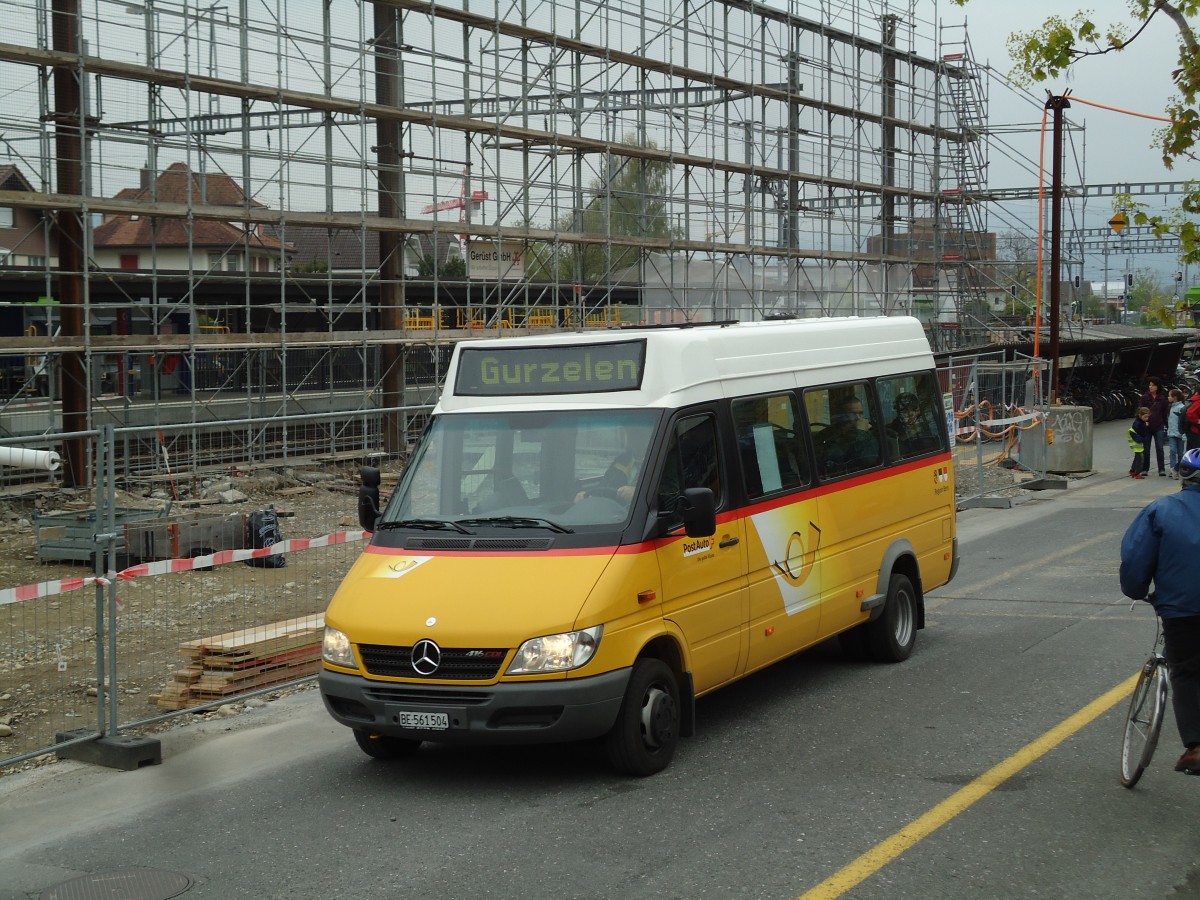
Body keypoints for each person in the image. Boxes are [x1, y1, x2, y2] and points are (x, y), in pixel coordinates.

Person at [1119, 447, 1200, 774]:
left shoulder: (1162, 510)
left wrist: (1138, 591)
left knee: (1186, 670)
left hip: (1183, 609)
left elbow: (1137, 562)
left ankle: (1196, 746)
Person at [822, 396, 880, 475]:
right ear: (843, 416)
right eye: (853, 414)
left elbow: (868, 460)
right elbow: (832, 458)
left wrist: (860, 433)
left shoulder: (866, 435)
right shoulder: (831, 433)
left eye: (861, 413)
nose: (858, 418)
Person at [886, 391, 939, 457]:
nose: (911, 414)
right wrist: (913, 431)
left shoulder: (924, 420)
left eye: (913, 409)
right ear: (898, 413)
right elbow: (899, 442)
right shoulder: (896, 425)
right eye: (905, 411)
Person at [1138, 377, 1171, 476]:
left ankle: (1161, 469)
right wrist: (1142, 422)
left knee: (1160, 448)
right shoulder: (1144, 397)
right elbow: (1139, 411)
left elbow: (1165, 413)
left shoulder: (1162, 398)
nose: (1151, 387)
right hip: (1147, 427)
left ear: (1157, 386)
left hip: (1159, 426)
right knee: (1146, 448)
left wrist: (1166, 425)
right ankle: (1145, 469)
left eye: (1153, 385)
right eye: (1150, 385)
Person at [1167, 387, 1187, 478]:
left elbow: (1183, 421)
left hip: (1180, 434)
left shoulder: (1182, 408)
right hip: (1172, 433)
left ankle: (1179, 469)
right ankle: (1172, 469)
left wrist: (1183, 433)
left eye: (1169, 396)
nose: (1168, 398)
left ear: (1174, 397)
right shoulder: (1171, 407)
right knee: (1172, 450)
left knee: (1180, 453)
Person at [1128, 406, 1151, 479]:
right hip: (1137, 443)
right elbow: (1134, 433)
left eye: (1148, 417)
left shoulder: (1141, 422)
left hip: (1139, 443)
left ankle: (1132, 470)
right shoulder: (1137, 424)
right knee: (1140, 458)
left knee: (1137, 457)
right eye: (1145, 417)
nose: (1147, 419)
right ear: (1140, 415)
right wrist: (1141, 439)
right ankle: (1137, 472)